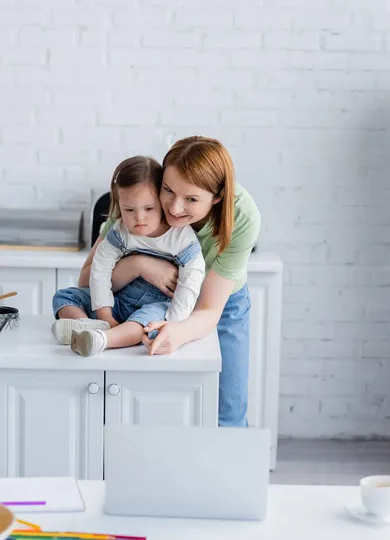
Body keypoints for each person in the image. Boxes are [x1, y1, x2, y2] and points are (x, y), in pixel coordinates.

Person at [79, 136, 260, 427]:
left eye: (191, 199)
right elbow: (87, 278)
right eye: (168, 190)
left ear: (217, 197)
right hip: (152, 300)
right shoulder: (141, 199)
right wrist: (140, 266)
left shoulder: (242, 215)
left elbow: (210, 310)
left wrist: (177, 330)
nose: (174, 208)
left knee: (226, 411)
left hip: (220, 303)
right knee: (165, 408)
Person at [51, 156, 205, 357]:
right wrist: (105, 314)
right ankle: (86, 326)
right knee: (65, 297)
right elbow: (100, 269)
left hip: (155, 304)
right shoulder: (120, 231)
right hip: (119, 299)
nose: (139, 218)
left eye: (149, 209)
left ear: (161, 200)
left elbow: (190, 283)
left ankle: (102, 339)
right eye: (129, 210)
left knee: (144, 324)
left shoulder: (181, 238)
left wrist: (173, 323)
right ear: (119, 206)